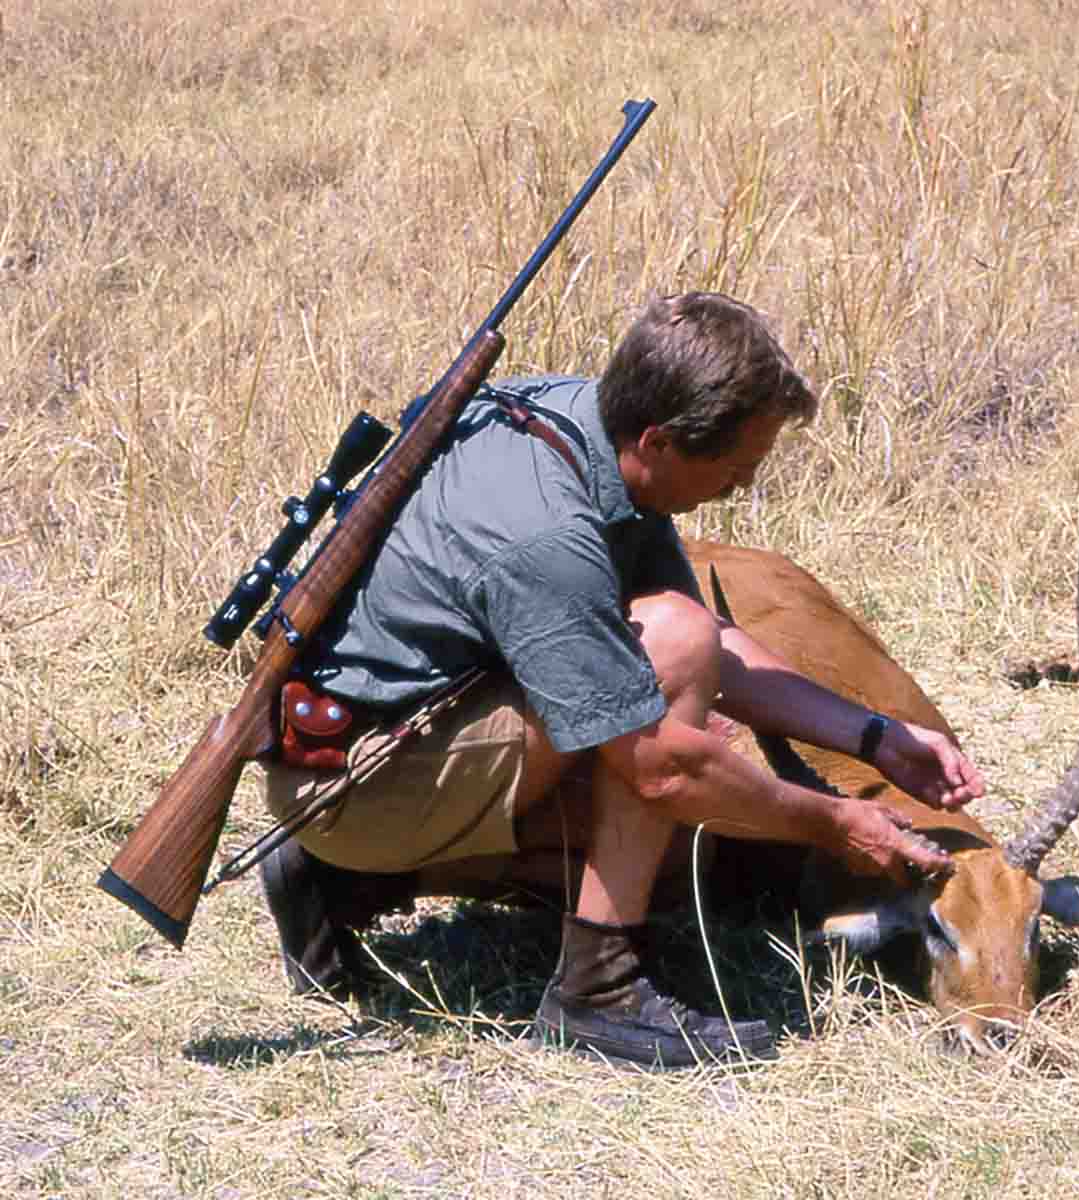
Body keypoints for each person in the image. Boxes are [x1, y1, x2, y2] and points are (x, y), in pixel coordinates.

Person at [260, 291, 985, 1069]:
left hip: (399, 729)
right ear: (662, 441)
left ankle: (333, 883)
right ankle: (594, 991)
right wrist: (835, 823)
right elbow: (662, 768)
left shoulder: (587, 423)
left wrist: (877, 739)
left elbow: (719, 646)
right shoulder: (549, 539)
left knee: (689, 716)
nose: (741, 488)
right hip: (360, 785)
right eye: (736, 468)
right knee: (688, 808)